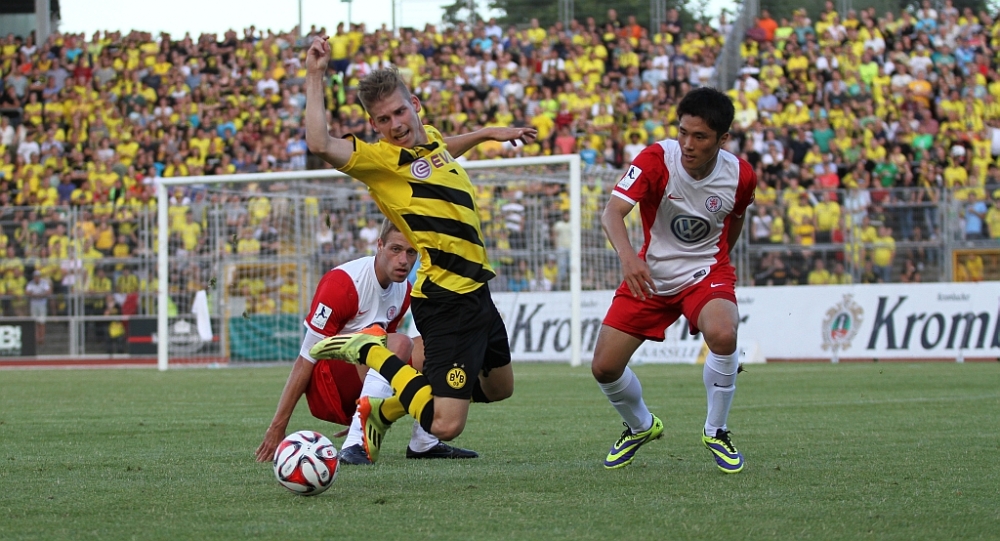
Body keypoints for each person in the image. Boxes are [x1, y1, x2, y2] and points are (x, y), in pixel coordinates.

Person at [301, 36, 537, 462]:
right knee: (446, 423)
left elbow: (444, 150)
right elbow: (320, 143)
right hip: (446, 299)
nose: (395, 124)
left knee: (499, 388)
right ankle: (372, 355)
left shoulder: (430, 143)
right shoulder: (380, 162)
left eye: (399, 112)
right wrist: (315, 74)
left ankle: (385, 409)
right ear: (374, 125)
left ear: (415, 105)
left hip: (477, 292)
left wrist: (487, 134)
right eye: (383, 119)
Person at [591, 87, 755, 472]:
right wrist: (629, 259)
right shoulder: (656, 159)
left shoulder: (741, 175)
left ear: (722, 139)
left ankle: (716, 431)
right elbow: (612, 213)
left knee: (723, 334)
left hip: (706, 272)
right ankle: (640, 426)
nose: (688, 144)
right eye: (683, 132)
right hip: (650, 274)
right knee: (604, 368)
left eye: (700, 137)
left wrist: (719, 263)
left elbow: (736, 219)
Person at [255, 219, 477, 465]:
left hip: (359, 380)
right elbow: (306, 358)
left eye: (411, 252)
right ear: (379, 245)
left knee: (439, 347)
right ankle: (356, 443)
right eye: (396, 249)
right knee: (401, 344)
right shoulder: (343, 283)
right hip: (326, 386)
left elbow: (385, 358)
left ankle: (424, 442)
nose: (403, 260)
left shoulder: (404, 290)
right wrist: (277, 426)